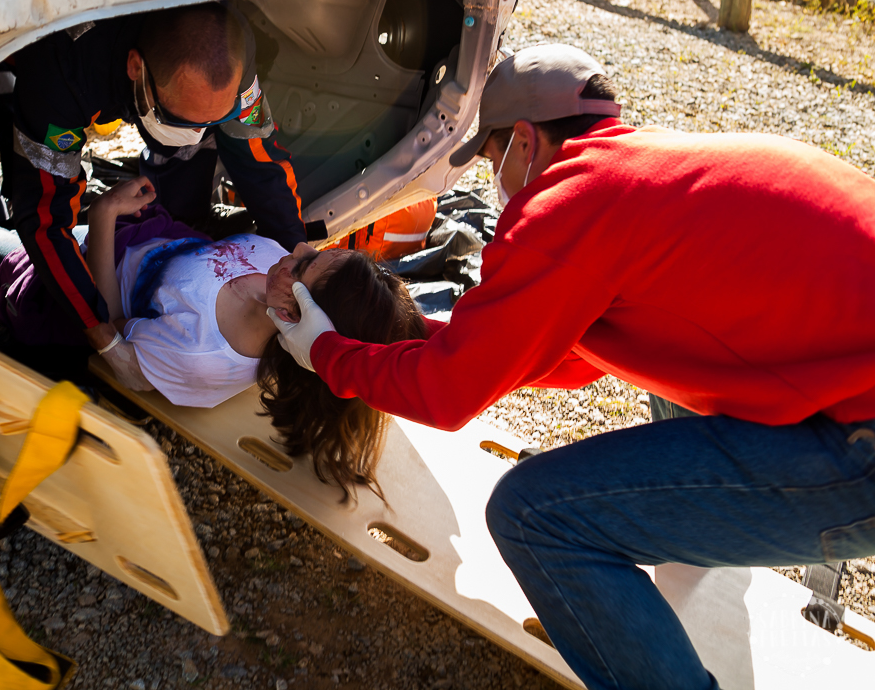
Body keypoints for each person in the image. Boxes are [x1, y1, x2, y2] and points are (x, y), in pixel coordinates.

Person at [268, 43, 875, 690]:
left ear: (524, 142)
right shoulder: (648, 173)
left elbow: (448, 396)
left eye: (494, 158)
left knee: (535, 516)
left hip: (859, 448)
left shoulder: (566, 203)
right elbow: (568, 358)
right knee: (674, 386)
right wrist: (413, 345)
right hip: (842, 385)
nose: (495, 181)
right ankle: (684, 558)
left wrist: (324, 353)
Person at [0, 175, 427, 499]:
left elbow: (107, 320)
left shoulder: (199, 350)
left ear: (299, 315)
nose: (295, 249)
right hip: (131, 234)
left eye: (304, 265)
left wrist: (103, 216)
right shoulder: (276, 278)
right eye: (316, 252)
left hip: (69, 277)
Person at [0, 2, 306, 388]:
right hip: (60, 60)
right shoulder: (62, 71)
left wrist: (297, 252)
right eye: (186, 122)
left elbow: (262, 163)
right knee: (33, 287)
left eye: (214, 121)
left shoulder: (235, 52)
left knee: (188, 158)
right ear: (134, 69)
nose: (199, 136)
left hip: (138, 233)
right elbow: (44, 216)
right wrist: (100, 333)